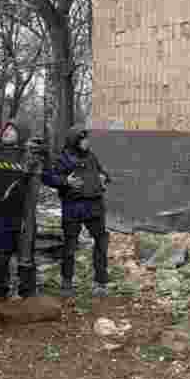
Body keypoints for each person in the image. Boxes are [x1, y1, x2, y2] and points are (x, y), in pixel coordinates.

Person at [43, 124, 111, 298]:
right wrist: (66, 181)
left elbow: (103, 173)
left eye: (87, 138)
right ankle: (67, 282)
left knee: (101, 243)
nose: (87, 142)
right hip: (73, 206)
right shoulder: (63, 158)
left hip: (95, 206)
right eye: (83, 139)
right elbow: (49, 177)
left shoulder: (92, 157)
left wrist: (104, 178)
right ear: (75, 141)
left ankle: (101, 282)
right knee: (70, 246)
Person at [0, 119, 38, 304]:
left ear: (21, 134)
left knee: (26, 256)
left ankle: (27, 294)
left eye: (12, 129)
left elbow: (43, 178)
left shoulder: (28, 156)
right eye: (5, 128)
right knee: (1, 255)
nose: (7, 131)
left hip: (22, 215)